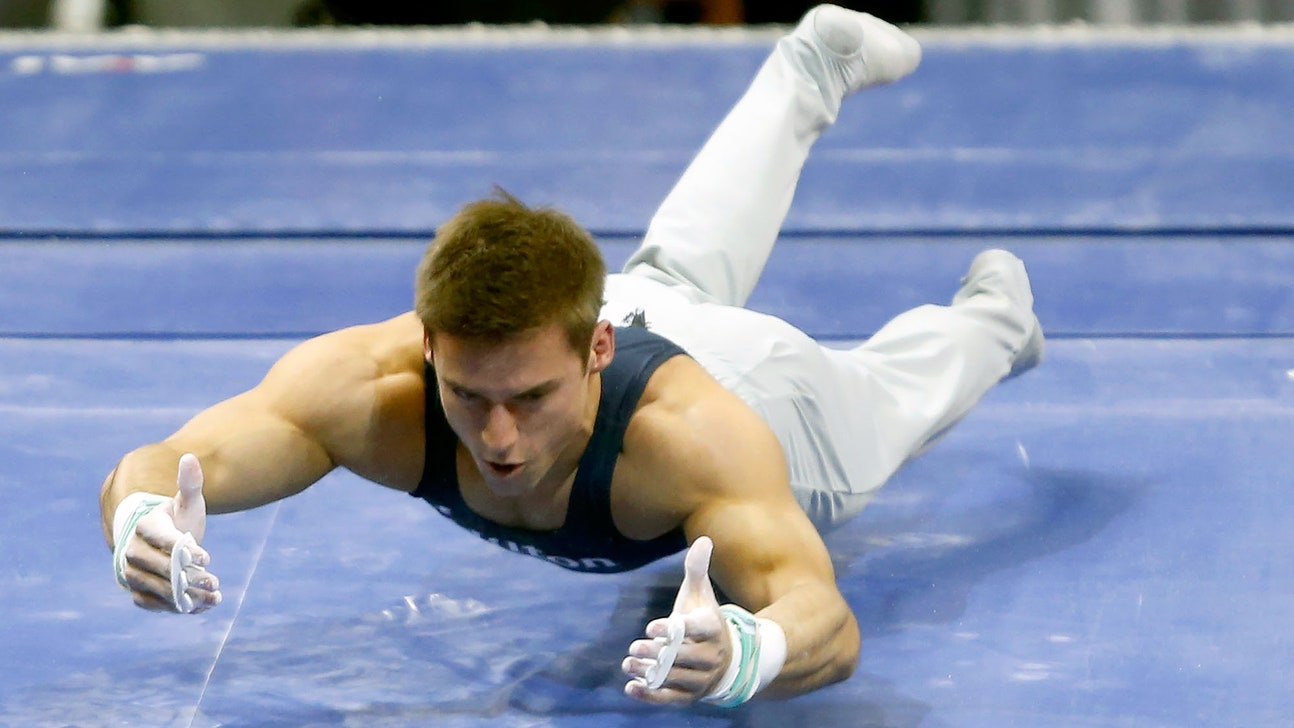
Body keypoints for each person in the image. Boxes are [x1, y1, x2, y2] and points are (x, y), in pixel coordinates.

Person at [100, 4, 1043, 707]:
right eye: (469, 396)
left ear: (598, 350)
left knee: (885, 404)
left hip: (753, 379)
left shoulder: (697, 438)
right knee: (667, 271)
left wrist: (751, 656)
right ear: (428, 349)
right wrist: (143, 521)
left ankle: (998, 317)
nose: (499, 437)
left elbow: (823, 619)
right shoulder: (373, 389)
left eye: (530, 399)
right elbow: (166, 461)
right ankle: (809, 64)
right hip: (632, 315)